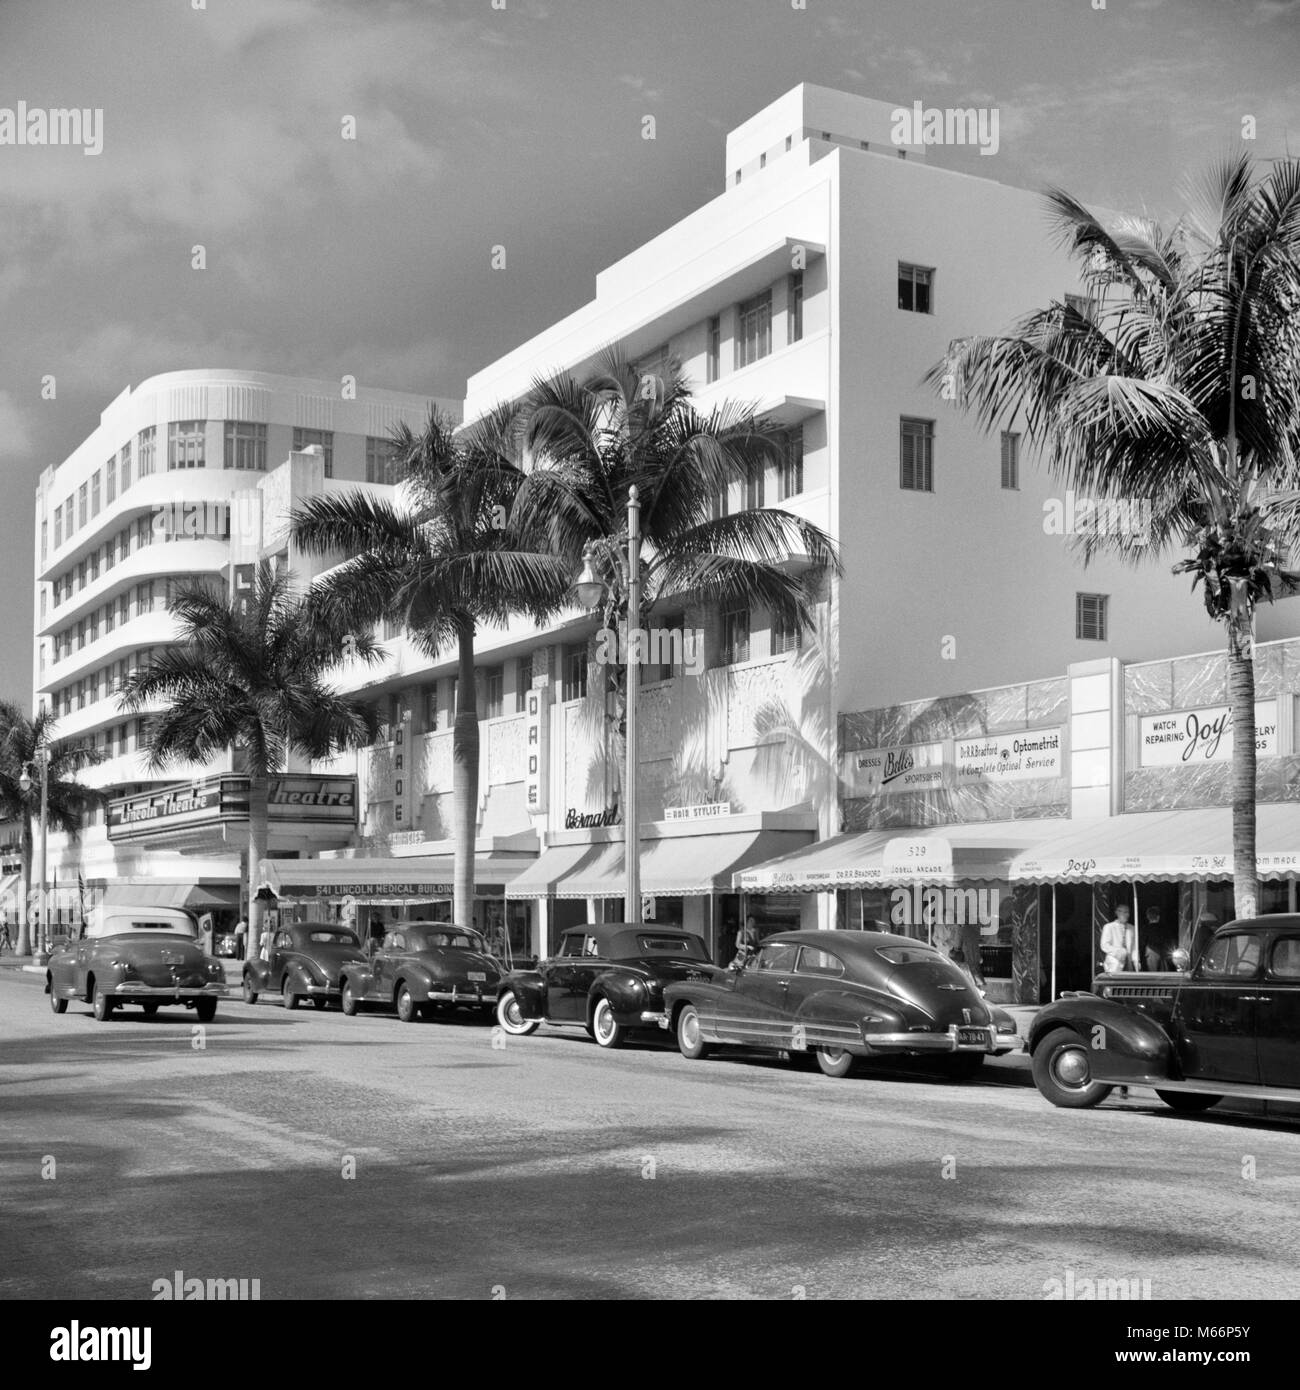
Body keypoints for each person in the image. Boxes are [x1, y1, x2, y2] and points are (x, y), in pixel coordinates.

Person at [1100, 904, 1137, 973]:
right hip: (1114, 963)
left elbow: (1134, 947)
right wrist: (1119, 952)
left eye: (1127, 912)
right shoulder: (1109, 927)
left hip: (1128, 963)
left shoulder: (1132, 928)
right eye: (1124, 912)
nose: (1126, 914)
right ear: (1117, 912)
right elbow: (1104, 945)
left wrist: (1136, 960)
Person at [1143, 905, 1175, 973]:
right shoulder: (1165, 929)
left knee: (1152, 976)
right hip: (1163, 953)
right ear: (1158, 917)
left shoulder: (1145, 929)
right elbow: (1170, 942)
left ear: (1148, 916)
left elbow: (1142, 943)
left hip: (1151, 953)